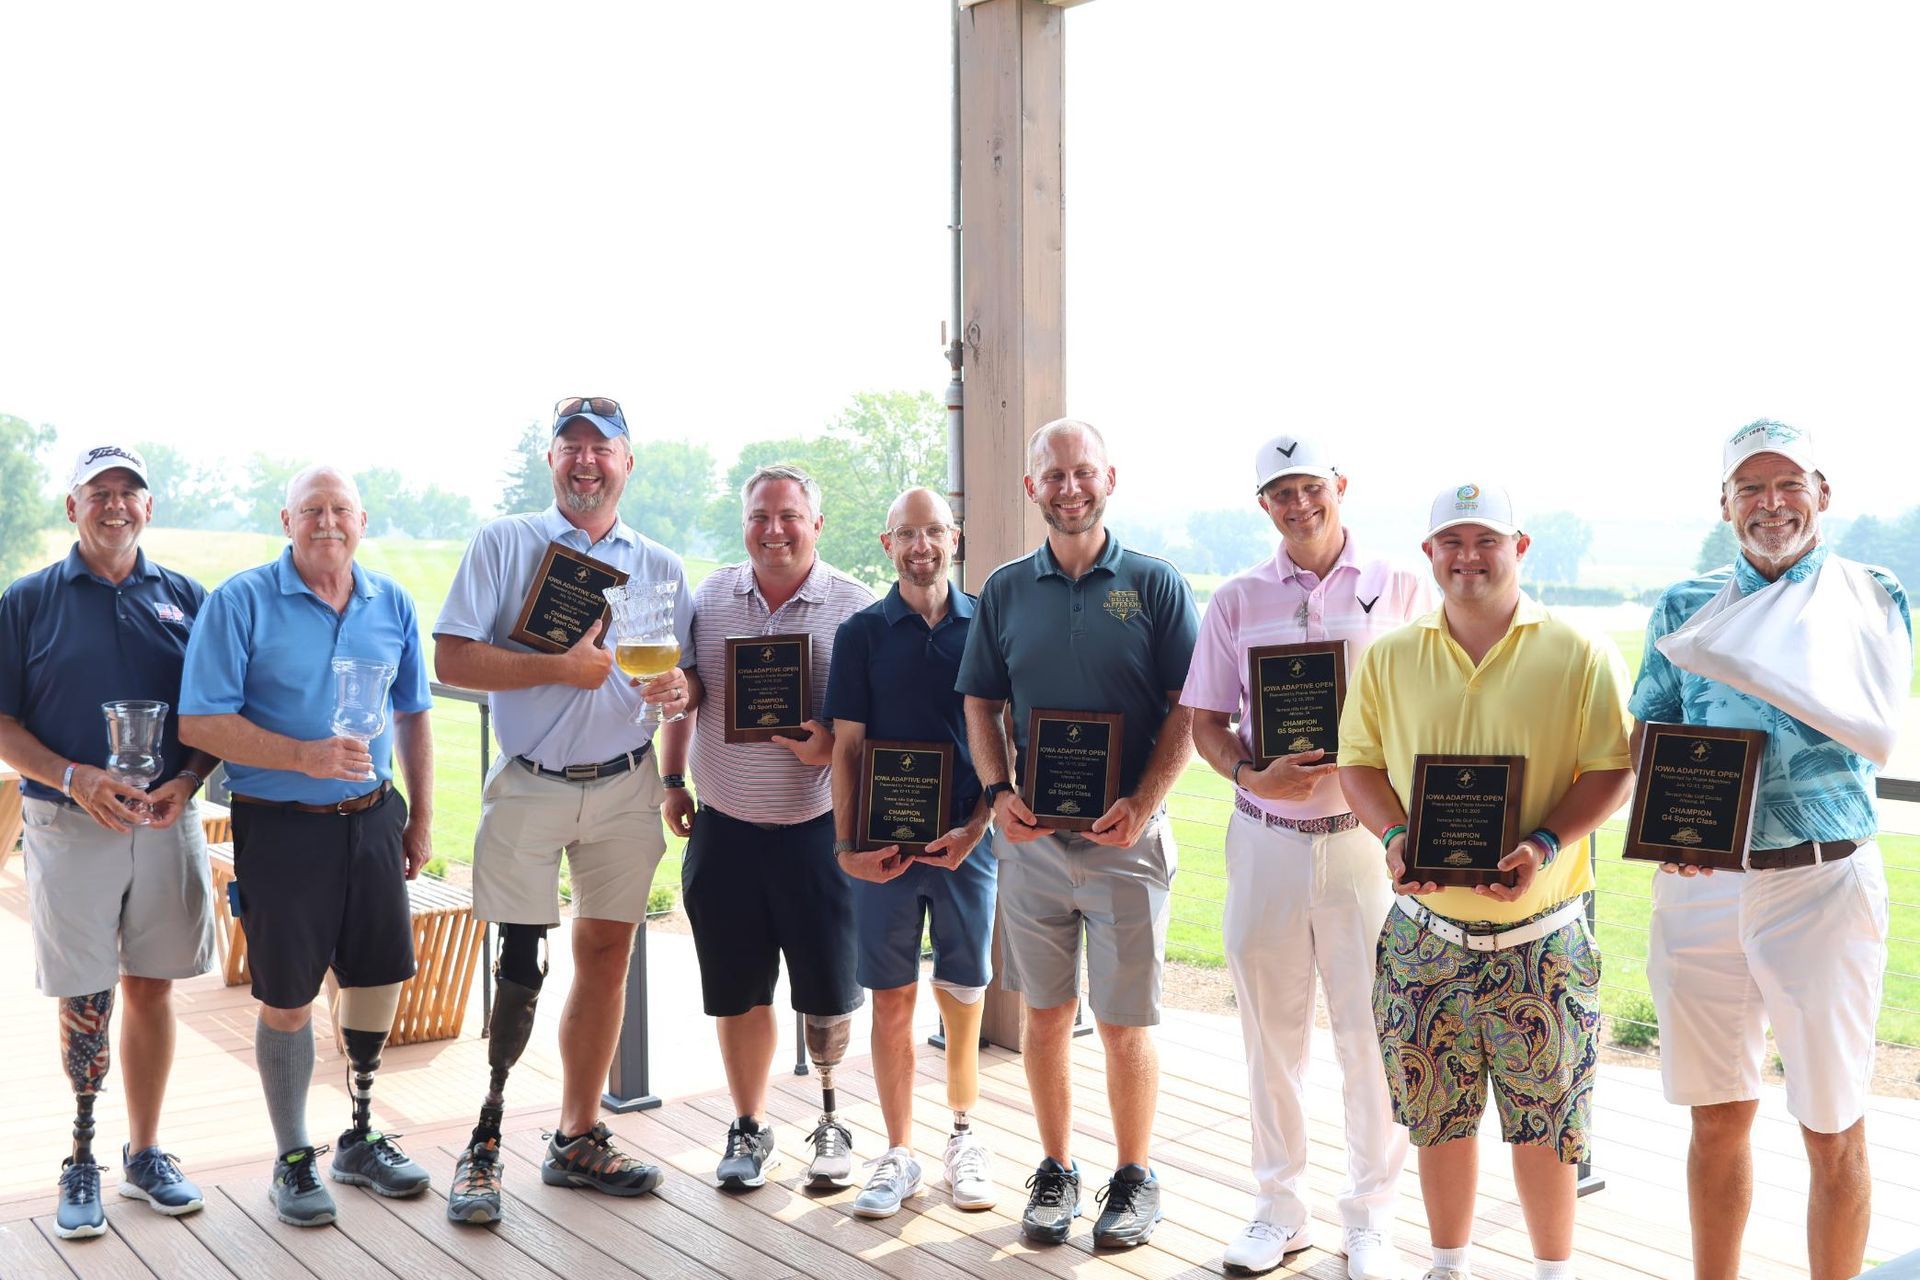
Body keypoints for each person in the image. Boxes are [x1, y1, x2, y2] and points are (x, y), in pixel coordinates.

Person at [1631, 421, 1910, 1280]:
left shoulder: (1871, 592)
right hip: (1703, 886)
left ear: (1822, 493)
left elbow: (1875, 722)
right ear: (1724, 504)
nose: (1771, 502)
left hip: (1822, 881)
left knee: (1832, 1124)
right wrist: (1670, 821)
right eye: (1750, 487)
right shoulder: (1683, 606)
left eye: (1789, 483)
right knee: (1715, 1117)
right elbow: (1650, 731)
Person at [1338, 481, 1633, 1280]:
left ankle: (1551, 1272)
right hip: (1425, 940)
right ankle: (1448, 1265)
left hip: (1543, 941)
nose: (1469, 558)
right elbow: (1357, 765)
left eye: (1487, 541)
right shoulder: (1391, 655)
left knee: (1547, 1125)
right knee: (1438, 1119)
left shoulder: (1579, 652)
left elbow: (1612, 771)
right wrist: (1396, 835)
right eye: (1452, 543)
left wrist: (1543, 842)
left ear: (1520, 548)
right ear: (1429, 554)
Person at [432, 396, 689, 1222]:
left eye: (602, 449)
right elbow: (453, 656)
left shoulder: (661, 565)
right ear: (551, 461)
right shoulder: (507, 542)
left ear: (627, 463)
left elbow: (683, 681)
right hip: (531, 779)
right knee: (518, 967)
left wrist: (684, 690)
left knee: (609, 954)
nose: (586, 462)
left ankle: (578, 1137)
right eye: (570, 447)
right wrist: (555, 671)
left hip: (625, 784)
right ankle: (486, 1141)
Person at [1180, 435, 1429, 1278]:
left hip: (1367, 844)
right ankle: (1278, 1210)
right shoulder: (1236, 599)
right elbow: (1205, 722)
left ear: (1341, 487)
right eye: (1281, 492)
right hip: (1268, 842)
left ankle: (1371, 1218)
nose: (1299, 504)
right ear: (1264, 505)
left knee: (1371, 1035)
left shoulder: (1400, 587)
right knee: (1269, 1035)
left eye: (1311, 487)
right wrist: (1253, 771)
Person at [957, 418, 1199, 1249]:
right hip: (1033, 844)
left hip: (1126, 843)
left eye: (1082, 472)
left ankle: (1134, 1177)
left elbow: (1187, 711)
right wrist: (996, 793)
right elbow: (980, 702)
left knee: (1127, 1020)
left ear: (1110, 479)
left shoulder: (1155, 585)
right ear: (1032, 488)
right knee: (1046, 1014)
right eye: (1052, 475)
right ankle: (1057, 1169)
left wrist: (1143, 800)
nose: (1069, 487)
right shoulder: (1003, 591)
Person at [178, 466, 435, 1228]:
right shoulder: (241, 602)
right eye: (312, 510)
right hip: (281, 823)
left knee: (378, 974)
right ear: (285, 519)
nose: (328, 522)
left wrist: (418, 818)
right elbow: (199, 721)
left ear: (363, 520)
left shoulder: (392, 602)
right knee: (287, 995)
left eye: (341, 510)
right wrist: (306, 757)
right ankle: (293, 1157)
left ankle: (358, 1136)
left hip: (374, 816)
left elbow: (415, 713)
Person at [0, 444, 220, 1238]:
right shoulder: (26, 601)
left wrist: (188, 781)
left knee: (153, 983)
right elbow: (2, 723)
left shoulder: (189, 599)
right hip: (70, 821)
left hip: (165, 820)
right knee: (86, 994)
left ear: (150, 508)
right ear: (73, 507)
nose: (116, 504)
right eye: (100, 492)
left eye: (131, 491)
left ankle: (145, 1152)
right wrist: (72, 777)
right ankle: (83, 1154)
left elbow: (216, 714)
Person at [663, 462, 874, 1190]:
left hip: (818, 833)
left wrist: (834, 750)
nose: (773, 529)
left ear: (817, 524)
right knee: (739, 989)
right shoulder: (712, 594)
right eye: (759, 516)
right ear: (744, 523)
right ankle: (750, 1124)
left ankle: (829, 1118)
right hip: (725, 829)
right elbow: (687, 691)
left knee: (827, 991)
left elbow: (876, 726)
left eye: (788, 516)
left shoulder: (855, 605)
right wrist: (670, 780)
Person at [822, 487, 998, 1219]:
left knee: (962, 994)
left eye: (934, 532)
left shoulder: (988, 622)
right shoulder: (861, 633)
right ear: (887, 543)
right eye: (906, 534)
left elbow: (1007, 737)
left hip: (967, 844)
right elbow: (848, 748)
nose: (921, 546)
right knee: (890, 1000)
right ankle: (899, 1152)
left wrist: (978, 827)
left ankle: (964, 1136)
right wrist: (844, 847)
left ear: (954, 536)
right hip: (882, 853)